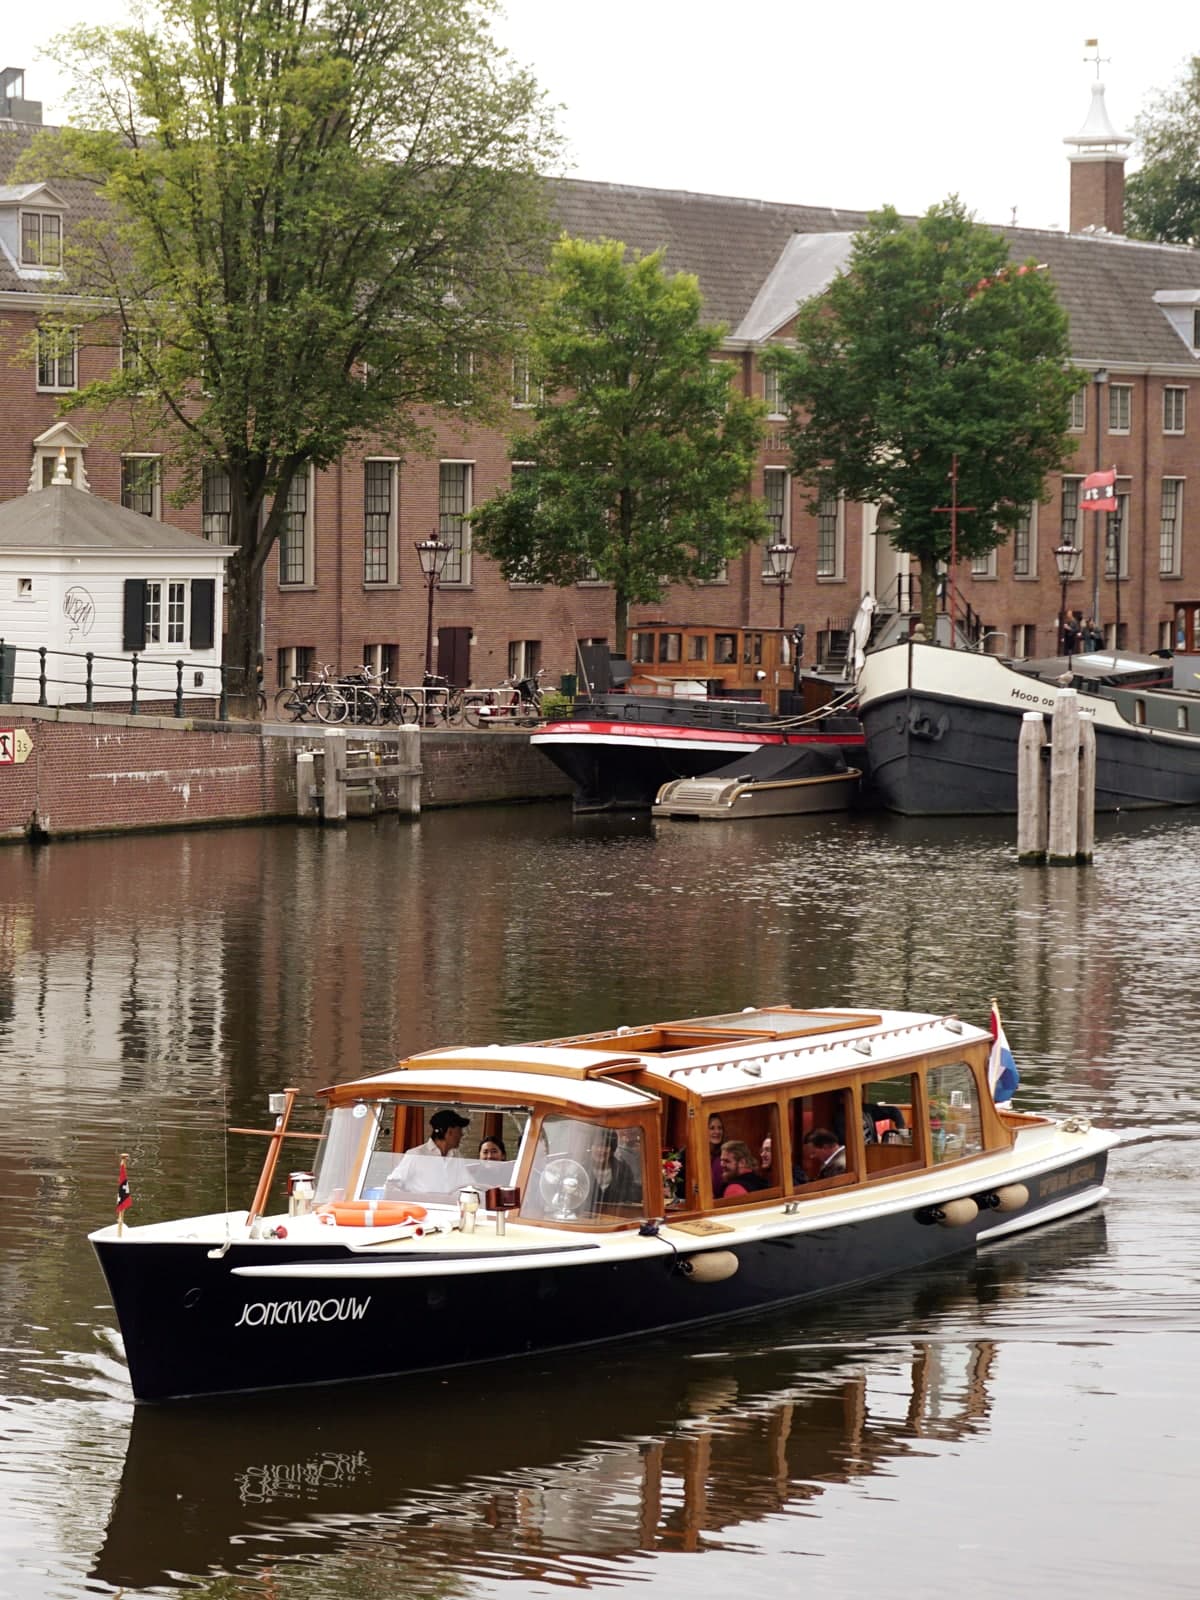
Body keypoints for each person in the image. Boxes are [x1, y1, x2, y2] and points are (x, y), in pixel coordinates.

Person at [387, 1108, 471, 1194]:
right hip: (423, 1206)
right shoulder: (416, 1154)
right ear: (449, 1132)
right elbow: (393, 1183)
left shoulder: (456, 1156)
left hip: (450, 1206)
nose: (462, 1134)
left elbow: (467, 1185)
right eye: (459, 1130)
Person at [588, 1128, 640, 1206]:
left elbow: (632, 1197)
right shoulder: (579, 1169)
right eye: (597, 1145)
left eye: (606, 1146)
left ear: (612, 1149)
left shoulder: (623, 1169)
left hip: (615, 1216)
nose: (601, 1150)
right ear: (591, 1147)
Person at [708, 1113, 726, 1193]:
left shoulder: (724, 1156)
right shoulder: (695, 1154)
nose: (717, 1132)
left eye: (720, 1128)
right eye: (712, 1128)